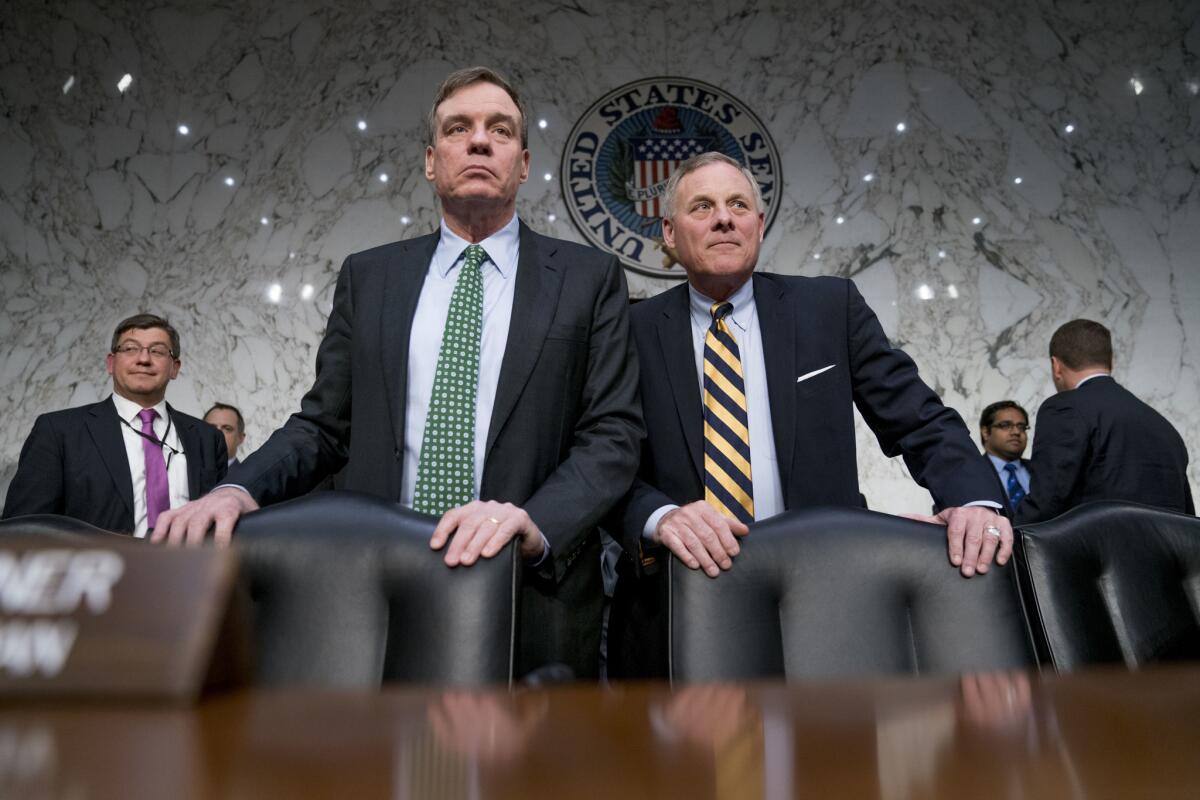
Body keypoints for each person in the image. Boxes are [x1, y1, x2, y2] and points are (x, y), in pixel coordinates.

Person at [153, 66, 643, 679]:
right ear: (431, 162)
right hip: (375, 594)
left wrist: (536, 524)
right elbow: (324, 426)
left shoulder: (589, 277)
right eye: (458, 128)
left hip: (530, 592)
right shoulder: (370, 276)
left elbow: (613, 435)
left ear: (522, 164)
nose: (480, 140)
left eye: (501, 129)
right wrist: (235, 490)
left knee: (528, 773)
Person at [607, 152, 1011, 677]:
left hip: (830, 599)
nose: (724, 218)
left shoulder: (828, 309)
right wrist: (661, 517)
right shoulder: (631, 331)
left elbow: (920, 418)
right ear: (668, 231)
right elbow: (608, 462)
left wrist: (972, 499)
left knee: (832, 758)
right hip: (682, 603)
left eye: (738, 204)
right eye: (702, 207)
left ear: (758, 223)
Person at [2, 314, 228, 535]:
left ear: (175, 368)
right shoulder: (59, 430)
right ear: (111, 362)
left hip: (188, 568)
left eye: (157, 351)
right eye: (130, 349)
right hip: (95, 569)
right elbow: (22, 529)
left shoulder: (207, 438)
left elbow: (220, 521)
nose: (144, 359)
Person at [1015, 319, 1193, 523]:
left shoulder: (1065, 407)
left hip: (1095, 553)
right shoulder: (1163, 427)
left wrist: (1007, 542)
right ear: (1111, 361)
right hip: (1166, 554)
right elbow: (1186, 517)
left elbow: (1048, 499)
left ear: (1056, 366)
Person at [978, 400, 1032, 515]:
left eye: (1021, 427)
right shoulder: (968, 473)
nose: (1017, 432)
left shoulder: (1041, 469)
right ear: (986, 432)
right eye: (1006, 425)